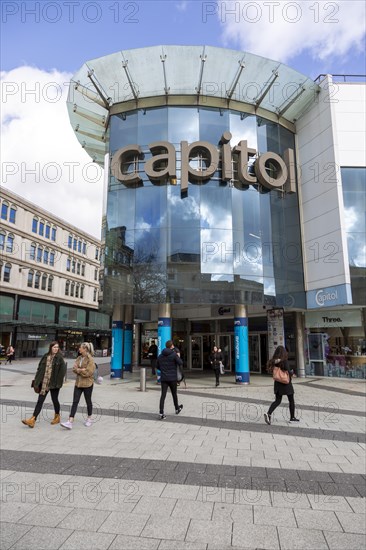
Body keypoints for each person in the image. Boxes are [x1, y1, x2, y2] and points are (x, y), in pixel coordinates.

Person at [21, 341, 67, 428]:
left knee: (55, 400)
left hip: (54, 384)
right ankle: (33, 420)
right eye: (54, 347)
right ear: (50, 348)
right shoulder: (45, 356)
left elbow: (62, 372)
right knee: (40, 401)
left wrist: (57, 382)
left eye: (57, 347)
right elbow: (39, 369)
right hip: (44, 383)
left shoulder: (59, 358)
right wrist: (37, 381)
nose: (56, 349)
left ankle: (57, 416)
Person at [61, 342, 96, 430]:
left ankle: (89, 418)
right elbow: (74, 369)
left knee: (88, 401)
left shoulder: (90, 359)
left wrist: (79, 370)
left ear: (85, 349)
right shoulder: (79, 358)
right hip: (78, 383)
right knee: (75, 401)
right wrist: (81, 370)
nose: (79, 349)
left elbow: (89, 372)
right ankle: (70, 421)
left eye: (80, 348)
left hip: (88, 384)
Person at [264, 345, 299, 425]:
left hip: (277, 383)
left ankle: (269, 413)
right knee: (291, 400)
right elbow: (289, 372)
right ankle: (292, 417)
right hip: (286, 383)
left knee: (277, 400)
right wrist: (292, 372)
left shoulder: (274, 362)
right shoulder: (284, 361)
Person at [157, 340, 183, 420]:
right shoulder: (174, 354)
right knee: (174, 394)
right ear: (171, 346)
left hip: (164, 378)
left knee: (163, 395)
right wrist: (178, 356)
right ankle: (177, 408)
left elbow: (157, 366)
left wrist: (164, 370)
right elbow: (180, 363)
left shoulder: (160, 355)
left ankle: (161, 413)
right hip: (172, 378)